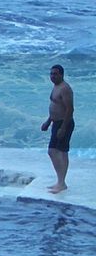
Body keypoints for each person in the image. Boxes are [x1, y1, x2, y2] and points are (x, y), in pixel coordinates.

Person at [42, 64, 76, 193]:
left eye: (55, 74)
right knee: (55, 152)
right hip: (56, 123)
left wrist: (63, 127)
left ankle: (61, 183)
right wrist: (48, 121)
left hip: (64, 123)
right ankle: (60, 181)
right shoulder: (56, 87)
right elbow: (55, 106)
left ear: (61, 74)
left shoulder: (65, 88)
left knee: (59, 152)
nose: (52, 76)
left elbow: (69, 109)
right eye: (51, 74)